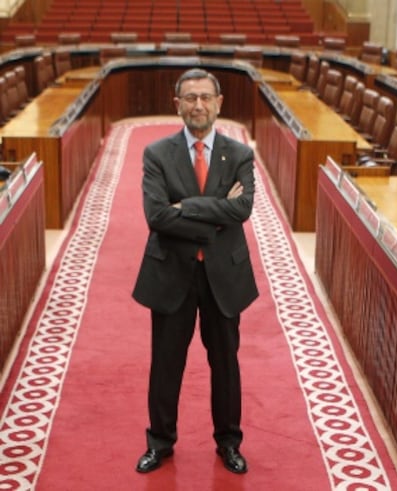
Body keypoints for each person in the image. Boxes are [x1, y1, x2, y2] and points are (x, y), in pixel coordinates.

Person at [132, 68, 258, 474]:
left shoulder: (239, 154)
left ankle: (229, 443)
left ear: (219, 103)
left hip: (224, 275)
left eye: (206, 97)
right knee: (166, 363)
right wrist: (215, 213)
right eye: (190, 98)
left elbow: (243, 209)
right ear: (178, 105)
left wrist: (184, 207)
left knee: (226, 364)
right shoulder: (157, 154)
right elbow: (155, 217)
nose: (198, 105)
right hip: (171, 274)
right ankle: (160, 442)